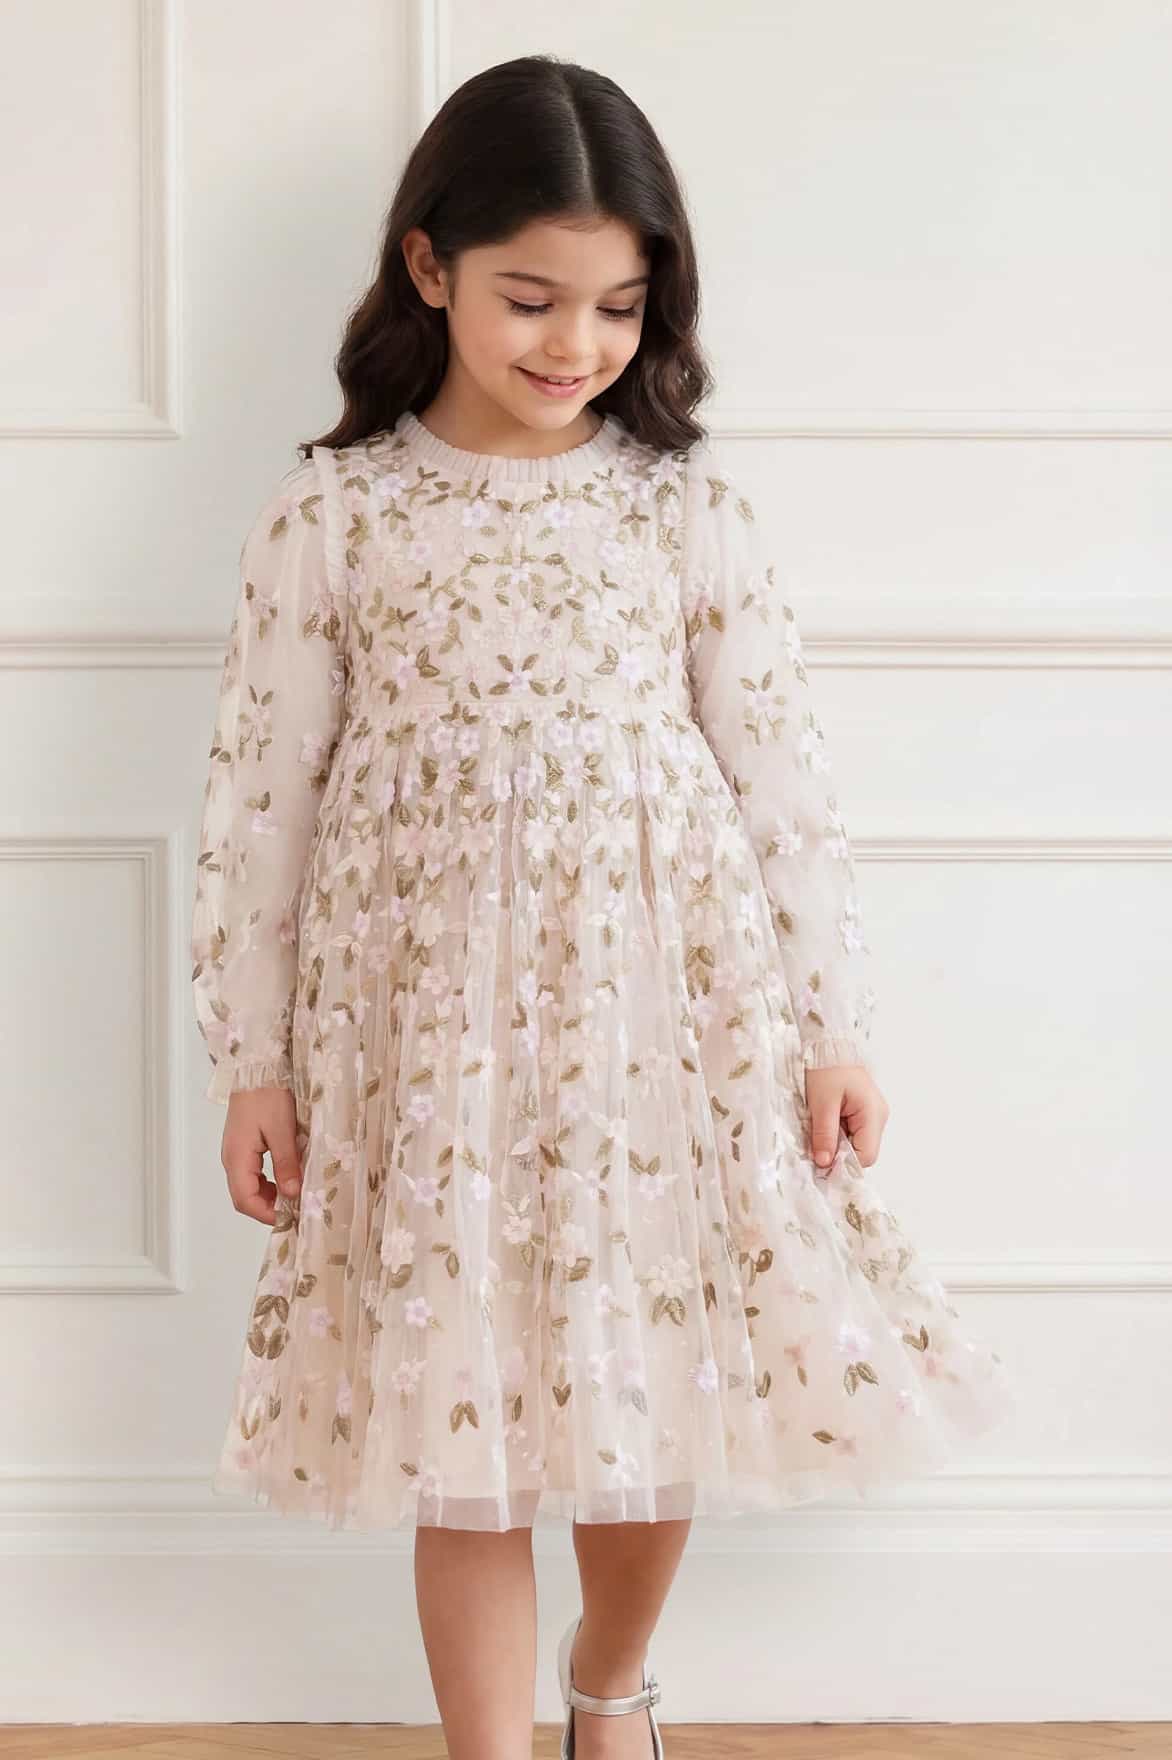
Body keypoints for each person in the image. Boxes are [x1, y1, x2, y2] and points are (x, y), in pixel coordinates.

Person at [190, 52, 1016, 1760]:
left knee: (656, 1368)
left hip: (663, 1009)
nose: (575, 343)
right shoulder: (335, 517)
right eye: (532, 299)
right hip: (422, 1027)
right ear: (429, 267)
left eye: (620, 309)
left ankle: (610, 1681)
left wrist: (833, 1029)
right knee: (462, 1410)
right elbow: (261, 803)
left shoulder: (683, 513)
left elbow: (783, 785)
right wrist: (251, 1061)